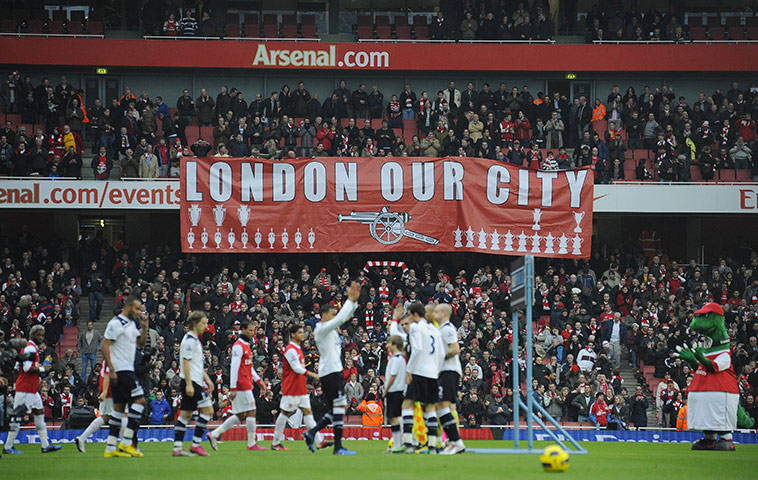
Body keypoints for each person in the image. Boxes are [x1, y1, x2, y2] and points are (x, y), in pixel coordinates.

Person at [303, 281, 360, 455]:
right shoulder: (321, 329)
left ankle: (312, 433)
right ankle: (337, 446)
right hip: (329, 373)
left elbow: (345, 317)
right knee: (338, 407)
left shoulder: (331, 330)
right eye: (333, 313)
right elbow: (342, 318)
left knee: (338, 408)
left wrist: (354, 302)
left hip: (334, 373)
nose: (336, 316)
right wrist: (350, 301)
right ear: (325, 315)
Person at [209, 319, 269, 451]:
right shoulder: (238, 346)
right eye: (250, 330)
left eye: (253, 330)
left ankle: (214, 434)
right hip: (242, 385)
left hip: (246, 383)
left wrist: (259, 381)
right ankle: (251, 443)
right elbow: (234, 367)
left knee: (241, 415)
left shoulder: (246, 345)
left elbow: (248, 366)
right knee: (252, 411)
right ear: (243, 330)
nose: (253, 332)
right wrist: (233, 388)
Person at [2, 327, 62, 454]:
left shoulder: (30, 348)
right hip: (25, 389)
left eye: (42, 335)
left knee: (40, 414)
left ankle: (45, 445)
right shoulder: (30, 348)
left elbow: (18, 367)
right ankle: (8, 446)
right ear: (32, 334)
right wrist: (43, 369)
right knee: (18, 417)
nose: (41, 338)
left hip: (32, 390)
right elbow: (28, 368)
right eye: (39, 335)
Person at [101, 298, 148, 458]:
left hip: (126, 369)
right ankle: (127, 441)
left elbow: (140, 344)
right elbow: (105, 345)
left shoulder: (131, 324)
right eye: (136, 308)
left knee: (119, 409)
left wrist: (145, 326)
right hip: (122, 370)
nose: (137, 312)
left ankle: (110, 447)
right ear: (127, 307)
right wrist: (111, 369)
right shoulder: (116, 323)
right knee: (140, 401)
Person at [400, 302, 444, 454]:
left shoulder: (416, 328)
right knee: (429, 408)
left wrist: (409, 370)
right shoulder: (435, 329)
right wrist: (436, 370)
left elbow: (417, 349)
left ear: (413, 314)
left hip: (419, 371)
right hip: (432, 373)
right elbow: (441, 354)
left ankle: (407, 443)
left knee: (407, 404)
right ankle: (432, 446)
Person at [172, 311, 215, 457]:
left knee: (185, 414)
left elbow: (197, 363)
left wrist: (207, 379)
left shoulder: (195, 340)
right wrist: (189, 384)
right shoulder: (189, 340)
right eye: (203, 323)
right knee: (208, 411)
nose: (206, 326)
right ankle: (196, 444)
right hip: (191, 382)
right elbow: (186, 362)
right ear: (195, 323)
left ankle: (177, 448)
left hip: (194, 381)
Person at [435, 303, 466, 455]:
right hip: (444, 371)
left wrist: (439, 358)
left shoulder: (447, 328)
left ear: (444, 313)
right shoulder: (441, 329)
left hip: (449, 370)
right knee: (442, 406)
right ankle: (453, 441)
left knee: (442, 405)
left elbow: (455, 349)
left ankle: (456, 442)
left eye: (437, 311)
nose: (434, 313)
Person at [383, 335, 406, 452]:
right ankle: (398, 444)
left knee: (394, 418)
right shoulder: (400, 359)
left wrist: (385, 390)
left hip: (394, 391)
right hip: (397, 390)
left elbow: (393, 376)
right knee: (394, 418)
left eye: (389, 343)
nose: (387, 345)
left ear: (395, 345)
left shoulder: (396, 359)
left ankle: (398, 444)